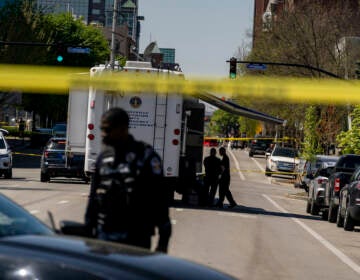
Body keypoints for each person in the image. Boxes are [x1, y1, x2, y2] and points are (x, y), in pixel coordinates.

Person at [84, 107, 171, 253]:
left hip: (136, 239)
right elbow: (93, 200)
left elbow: (160, 202)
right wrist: (87, 233)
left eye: (108, 130)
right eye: (102, 129)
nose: (103, 135)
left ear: (123, 129)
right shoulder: (103, 158)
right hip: (104, 237)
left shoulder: (146, 158)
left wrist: (163, 242)